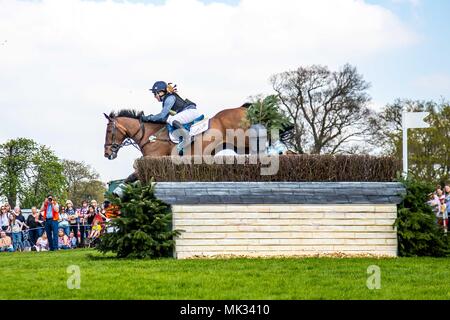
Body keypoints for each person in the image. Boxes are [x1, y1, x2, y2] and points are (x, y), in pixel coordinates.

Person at [141, 81, 200, 148]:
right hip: (188, 112)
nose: (154, 96)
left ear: (160, 92)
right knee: (169, 120)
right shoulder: (168, 99)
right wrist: (151, 119)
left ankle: (188, 138)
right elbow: (164, 118)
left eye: (155, 94)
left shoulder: (169, 98)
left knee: (172, 120)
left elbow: (161, 115)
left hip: (191, 112)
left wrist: (148, 118)